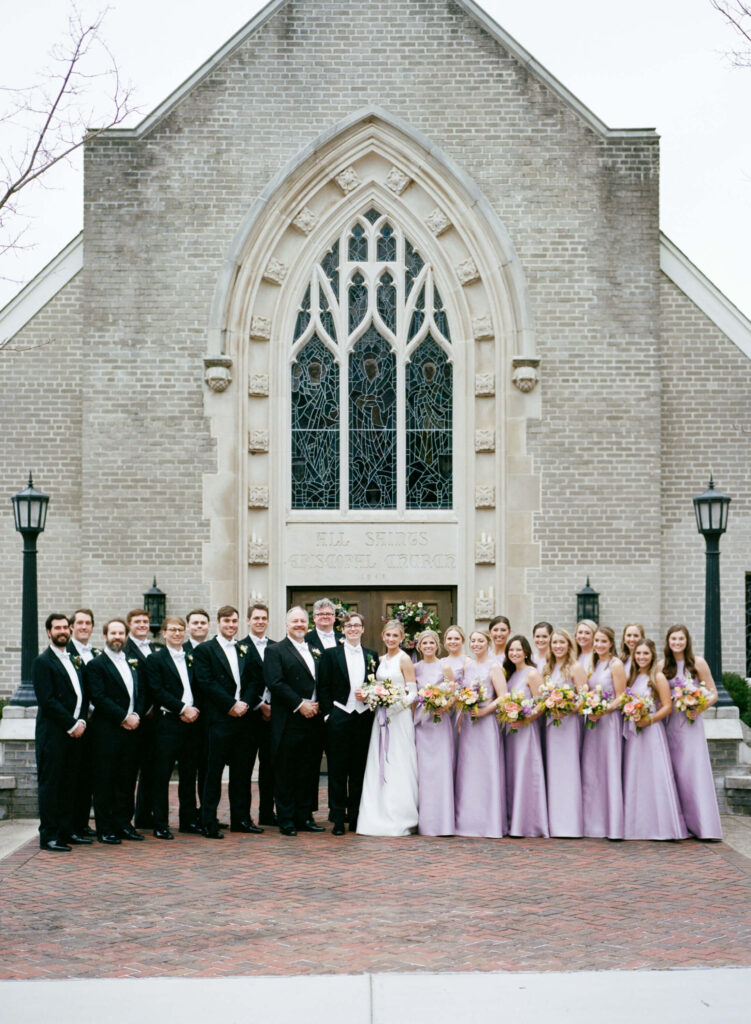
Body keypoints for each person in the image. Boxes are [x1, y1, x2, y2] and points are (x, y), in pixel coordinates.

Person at [193, 605, 261, 838]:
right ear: (218, 623)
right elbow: (205, 682)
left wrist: (245, 704)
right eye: (226, 621)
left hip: (244, 719)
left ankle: (241, 819)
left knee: (242, 773)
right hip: (219, 720)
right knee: (213, 773)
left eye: (234, 621)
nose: (231, 625)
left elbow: (255, 680)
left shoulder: (245, 648)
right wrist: (230, 704)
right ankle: (208, 822)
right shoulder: (205, 650)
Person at [264, 606, 324, 836]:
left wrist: (317, 706)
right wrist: (300, 704)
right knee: (286, 771)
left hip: (314, 719)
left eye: (302, 621)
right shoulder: (275, 650)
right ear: (286, 625)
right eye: (294, 621)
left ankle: (304, 816)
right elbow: (275, 682)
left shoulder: (315, 650)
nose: (299, 624)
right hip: (290, 718)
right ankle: (286, 819)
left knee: (307, 771)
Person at [32, 613, 90, 852]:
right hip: (54, 734)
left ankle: (68, 831)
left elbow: (84, 695)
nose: (63, 631)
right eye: (57, 628)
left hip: (76, 732)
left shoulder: (75, 659)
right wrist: (71, 723)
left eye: (66, 627)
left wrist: (83, 720)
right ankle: (49, 836)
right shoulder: (42, 662)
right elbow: (48, 700)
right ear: (48, 632)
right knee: (52, 786)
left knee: (70, 784)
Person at [86, 618, 146, 844]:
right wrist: (123, 717)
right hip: (107, 732)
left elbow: (140, 693)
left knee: (128, 779)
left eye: (121, 633)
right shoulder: (96, 665)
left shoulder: (133, 662)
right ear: (105, 636)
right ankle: (105, 828)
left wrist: (136, 715)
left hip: (132, 731)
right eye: (113, 633)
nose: (118, 637)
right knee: (105, 781)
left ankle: (124, 824)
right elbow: (99, 697)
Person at [357, 619, 419, 837]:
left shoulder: (405, 660)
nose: (391, 639)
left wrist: (395, 706)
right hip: (381, 719)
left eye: (395, 636)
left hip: (398, 718)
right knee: (379, 761)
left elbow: (413, 692)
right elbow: (373, 685)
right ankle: (377, 813)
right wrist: (374, 698)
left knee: (398, 762)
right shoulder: (379, 660)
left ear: (402, 638)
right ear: (383, 636)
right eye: (388, 635)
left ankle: (401, 815)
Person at [318, 611, 378, 834]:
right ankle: (337, 819)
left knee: (359, 769)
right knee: (337, 769)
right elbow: (323, 686)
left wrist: (370, 695)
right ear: (342, 630)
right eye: (349, 626)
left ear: (363, 629)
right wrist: (328, 715)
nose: (353, 629)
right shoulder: (331, 655)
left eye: (357, 625)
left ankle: (355, 817)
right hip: (339, 715)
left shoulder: (372, 656)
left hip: (363, 717)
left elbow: (377, 686)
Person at [660, 625, 722, 840]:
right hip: (669, 725)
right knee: (673, 773)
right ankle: (677, 823)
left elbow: (713, 692)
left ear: (687, 641)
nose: (677, 643)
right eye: (673, 639)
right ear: (668, 641)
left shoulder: (697, 663)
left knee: (692, 772)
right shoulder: (662, 666)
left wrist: (699, 707)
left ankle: (703, 825)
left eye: (681, 639)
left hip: (690, 724)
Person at [622, 639, 687, 840]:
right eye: (638, 654)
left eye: (645, 654)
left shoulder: (657, 677)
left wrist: (648, 720)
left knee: (654, 775)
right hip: (634, 733)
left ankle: (662, 827)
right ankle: (636, 826)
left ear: (652, 656)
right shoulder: (632, 678)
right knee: (635, 775)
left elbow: (667, 706)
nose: (641, 657)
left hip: (651, 731)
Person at [146, 616, 202, 839]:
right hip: (168, 724)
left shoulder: (191, 657)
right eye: (173, 630)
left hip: (192, 724)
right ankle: (160, 824)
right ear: (164, 633)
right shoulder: (156, 659)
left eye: (181, 630)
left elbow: (199, 686)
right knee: (162, 776)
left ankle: (188, 820)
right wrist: (181, 708)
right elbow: (156, 690)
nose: (177, 633)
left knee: (189, 775)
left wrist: (194, 709)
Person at [454, 629, 507, 838]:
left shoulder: (494, 667)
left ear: (488, 643)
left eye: (480, 641)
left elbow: (503, 696)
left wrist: (484, 710)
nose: (476, 644)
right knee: (469, 769)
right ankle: (468, 821)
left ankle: (489, 822)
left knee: (486, 768)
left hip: (486, 723)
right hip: (469, 723)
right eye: (473, 641)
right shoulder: (467, 665)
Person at [580, 626, 626, 840]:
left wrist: (602, 710)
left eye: (603, 641)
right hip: (593, 723)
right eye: (596, 641)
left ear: (611, 643)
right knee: (592, 769)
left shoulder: (615, 665)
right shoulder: (594, 664)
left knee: (608, 767)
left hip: (608, 722)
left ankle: (612, 824)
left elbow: (621, 696)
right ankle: (592, 823)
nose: (598, 645)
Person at [502, 634, 548, 838]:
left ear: (526, 652)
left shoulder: (532, 674)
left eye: (518, 650)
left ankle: (528, 823)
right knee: (513, 773)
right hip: (510, 731)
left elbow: (542, 703)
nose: (514, 653)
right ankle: (513, 820)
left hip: (526, 730)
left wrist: (526, 719)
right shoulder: (510, 675)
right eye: (511, 650)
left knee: (526, 772)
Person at [543, 629, 586, 838]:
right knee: (553, 770)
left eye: (561, 642)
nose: (558, 646)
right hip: (552, 725)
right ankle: (554, 823)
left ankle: (570, 824)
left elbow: (583, 698)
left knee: (568, 770)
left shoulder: (575, 667)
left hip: (569, 724)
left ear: (569, 645)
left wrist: (566, 709)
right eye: (554, 643)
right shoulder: (548, 668)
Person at [413, 629, 455, 836]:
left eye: (431, 643)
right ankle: (424, 820)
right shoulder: (415, 668)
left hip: (439, 724)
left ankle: (443, 821)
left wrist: (444, 705)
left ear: (437, 645)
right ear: (419, 646)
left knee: (440, 770)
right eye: (424, 643)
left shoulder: (444, 666)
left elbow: (454, 693)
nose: (428, 646)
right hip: (422, 725)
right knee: (423, 772)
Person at [240, 602, 277, 826]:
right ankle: (244, 815)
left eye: (264, 618)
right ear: (248, 621)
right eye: (256, 618)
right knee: (245, 767)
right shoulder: (239, 647)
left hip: (275, 715)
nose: (260, 621)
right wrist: (259, 705)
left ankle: (267, 812)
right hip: (250, 715)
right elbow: (240, 682)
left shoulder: (276, 646)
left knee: (270, 766)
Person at [304, 598, 342, 814]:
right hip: (313, 709)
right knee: (311, 762)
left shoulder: (344, 639)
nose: (325, 618)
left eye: (329, 614)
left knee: (338, 763)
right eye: (321, 615)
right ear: (315, 618)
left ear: (335, 618)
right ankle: (308, 811)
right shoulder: (305, 640)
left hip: (340, 710)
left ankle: (337, 809)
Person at [66, 607, 100, 838]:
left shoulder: (96, 654)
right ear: (71, 627)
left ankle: (82, 824)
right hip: (73, 725)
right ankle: (70, 827)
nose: (84, 627)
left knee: (88, 776)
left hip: (95, 726)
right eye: (80, 623)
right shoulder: (65, 653)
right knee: (72, 778)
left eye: (88, 623)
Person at [125, 608, 159, 831]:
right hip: (133, 720)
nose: (142, 625)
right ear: (129, 624)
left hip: (155, 721)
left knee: (151, 770)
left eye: (145, 621)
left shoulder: (156, 649)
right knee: (129, 772)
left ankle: (145, 816)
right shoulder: (124, 650)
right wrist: (140, 710)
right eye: (137, 621)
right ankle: (125, 820)